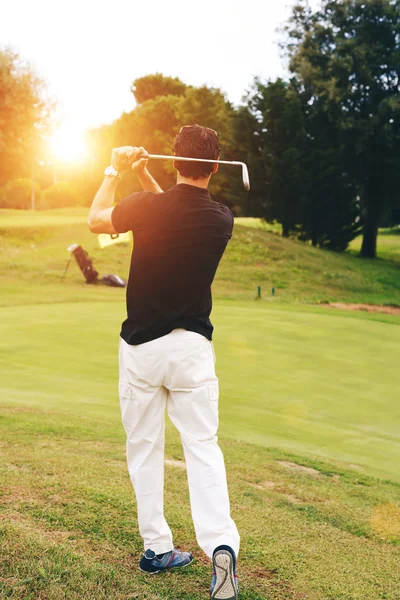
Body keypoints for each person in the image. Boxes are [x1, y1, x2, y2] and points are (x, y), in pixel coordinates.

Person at [88, 124, 240, 600]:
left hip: (141, 349)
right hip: (192, 350)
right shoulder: (221, 217)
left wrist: (116, 168)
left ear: (174, 161)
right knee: (203, 448)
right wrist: (145, 174)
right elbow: (177, 210)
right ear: (214, 167)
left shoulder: (150, 208)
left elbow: (96, 219)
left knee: (144, 447)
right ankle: (221, 547)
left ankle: (157, 548)